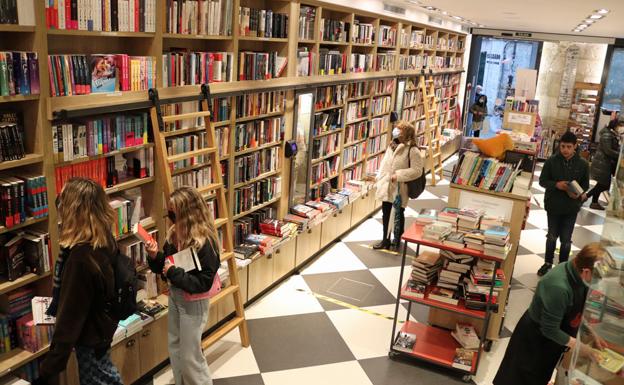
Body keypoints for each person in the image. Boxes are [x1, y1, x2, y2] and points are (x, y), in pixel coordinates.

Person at [34, 178, 122, 385]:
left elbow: (69, 319)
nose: (59, 206)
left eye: (62, 201)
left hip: (91, 339)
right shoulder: (103, 239)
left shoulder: (81, 258)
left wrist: (49, 369)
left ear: (73, 211)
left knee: (101, 379)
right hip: (103, 331)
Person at [493, 243, 607, 385]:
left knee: (540, 377)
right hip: (534, 341)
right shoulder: (558, 287)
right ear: (586, 272)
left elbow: (574, 310)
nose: (598, 283)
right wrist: (580, 347)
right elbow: (549, 329)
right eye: (597, 278)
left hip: (550, 342)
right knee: (521, 378)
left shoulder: (578, 273)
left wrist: (590, 332)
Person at [145, 186, 220, 385]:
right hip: (176, 296)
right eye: (169, 211)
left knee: (190, 356)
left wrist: (173, 273)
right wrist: (155, 257)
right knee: (175, 348)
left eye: (173, 212)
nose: (170, 216)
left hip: (193, 303)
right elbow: (167, 264)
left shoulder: (205, 242)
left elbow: (204, 282)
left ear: (187, 213)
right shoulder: (173, 233)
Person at [537, 131, 589, 276]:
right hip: (553, 205)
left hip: (571, 207)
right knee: (552, 236)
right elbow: (542, 181)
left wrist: (578, 192)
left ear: (575, 147)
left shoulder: (583, 164)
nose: (565, 150)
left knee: (566, 239)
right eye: (563, 146)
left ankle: (562, 267)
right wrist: (556, 185)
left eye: (568, 147)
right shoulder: (551, 161)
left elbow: (585, 184)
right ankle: (547, 263)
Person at [374, 120, 424, 251]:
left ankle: (397, 240)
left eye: (399, 129)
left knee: (398, 213)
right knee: (386, 212)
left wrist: (399, 175)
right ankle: (385, 239)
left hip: (400, 188)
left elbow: (417, 170)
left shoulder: (412, 150)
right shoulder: (392, 146)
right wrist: (380, 179)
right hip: (387, 184)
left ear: (406, 133)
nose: (395, 131)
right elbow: (385, 164)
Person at [586, 118, 622, 210]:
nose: (621, 128)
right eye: (620, 126)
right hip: (602, 163)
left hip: (604, 163)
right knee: (604, 185)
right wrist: (620, 155)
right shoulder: (607, 135)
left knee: (601, 184)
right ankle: (584, 197)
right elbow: (608, 151)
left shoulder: (611, 134)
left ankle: (594, 203)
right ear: (615, 126)